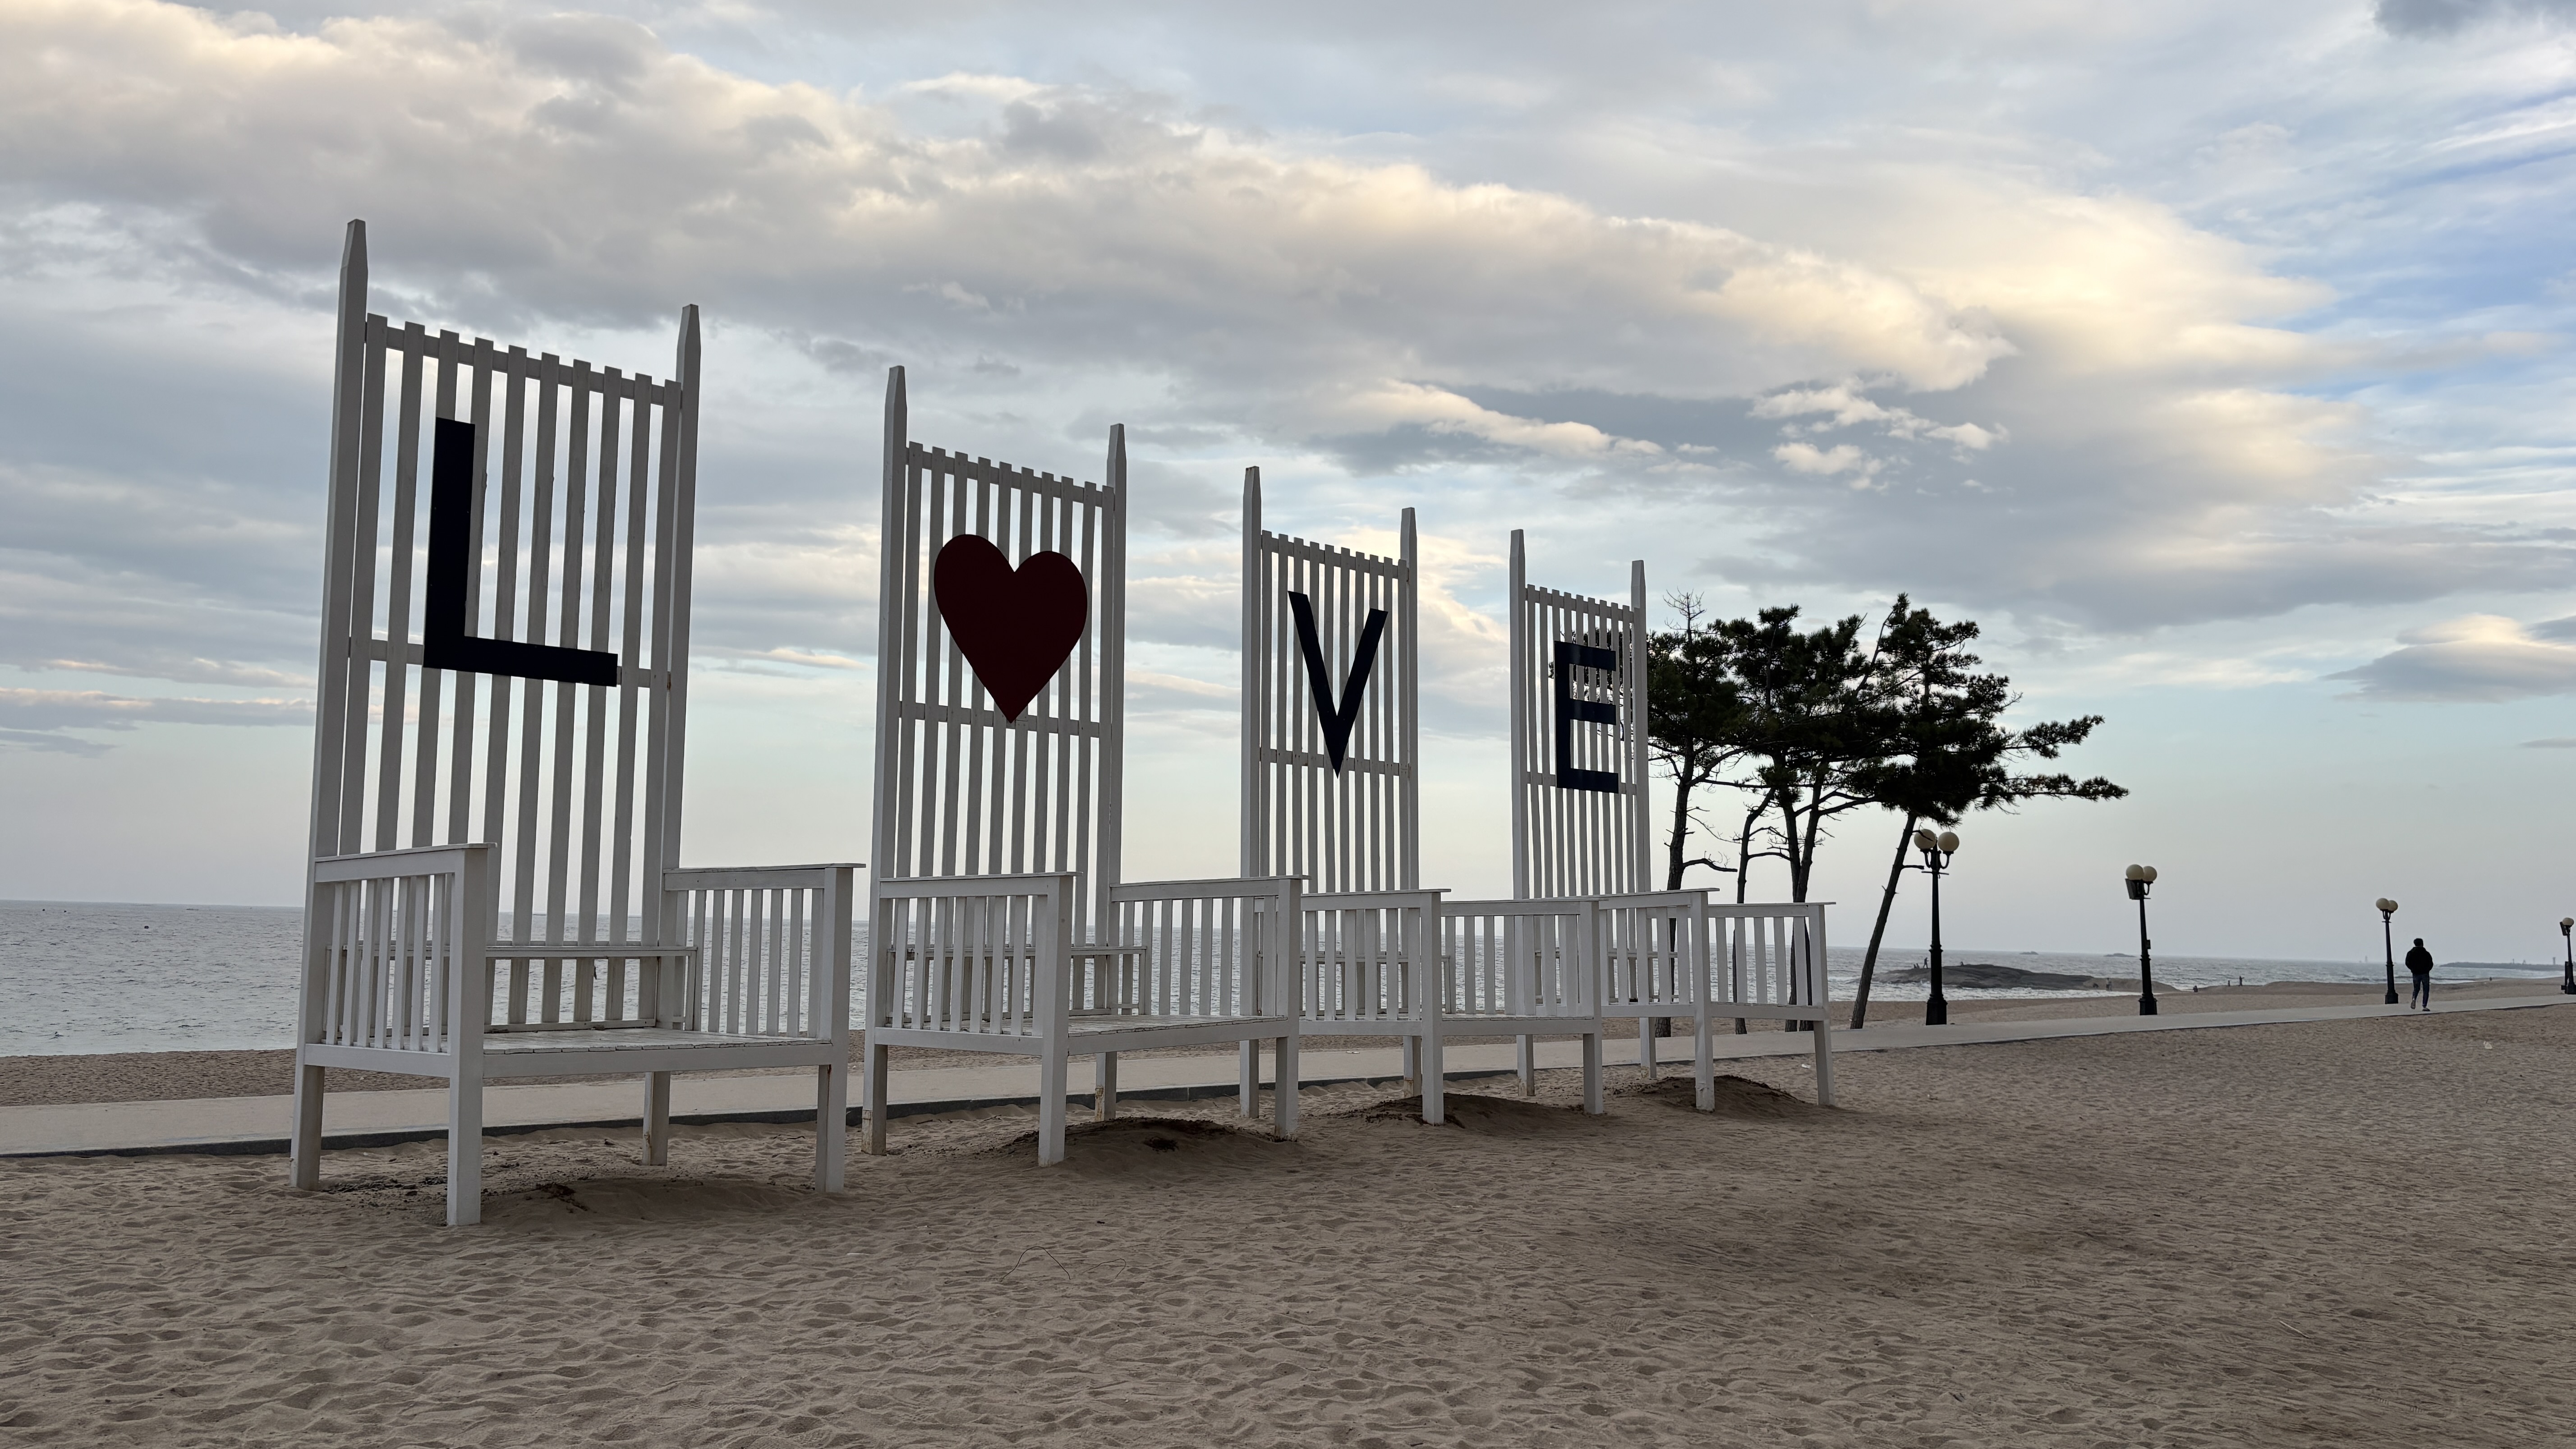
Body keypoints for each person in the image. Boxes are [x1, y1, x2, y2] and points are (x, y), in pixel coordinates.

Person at [2404, 938, 2435, 1012]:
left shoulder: (2411, 953)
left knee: (2416, 988)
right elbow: (2431, 963)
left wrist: (2412, 969)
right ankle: (2424, 1005)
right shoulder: (2426, 953)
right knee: (2426, 989)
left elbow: (2407, 963)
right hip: (2425, 973)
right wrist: (2427, 969)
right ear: (2422, 944)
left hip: (2416, 973)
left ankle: (2414, 999)